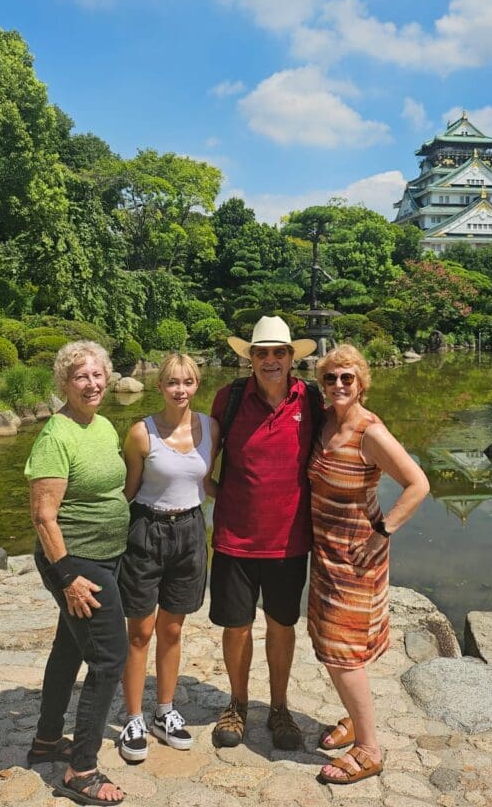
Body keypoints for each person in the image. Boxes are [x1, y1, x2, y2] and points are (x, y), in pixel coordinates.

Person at [308, 344, 430, 786]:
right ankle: (356, 721)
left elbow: (418, 484)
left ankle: (369, 748)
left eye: (348, 378)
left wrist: (384, 533)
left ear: (362, 383)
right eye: (331, 378)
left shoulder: (369, 432)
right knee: (328, 644)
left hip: (357, 557)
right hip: (325, 555)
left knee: (344, 653)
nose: (339, 385)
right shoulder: (324, 423)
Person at [207, 316, 319, 751]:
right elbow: (201, 457)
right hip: (235, 538)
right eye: (261, 352)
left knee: (281, 624)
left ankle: (278, 706)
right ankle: (237, 703)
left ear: (292, 358)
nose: (270, 360)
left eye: (279, 352)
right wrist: (220, 494)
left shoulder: (310, 398)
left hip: (289, 541)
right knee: (236, 626)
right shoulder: (229, 398)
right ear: (250, 358)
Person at [25, 341, 129, 806]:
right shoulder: (56, 435)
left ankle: (47, 741)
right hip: (77, 563)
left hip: (105, 557)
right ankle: (81, 770)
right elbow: (44, 515)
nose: (92, 384)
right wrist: (66, 576)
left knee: (69, 648)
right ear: (64, 383)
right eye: (80, 377)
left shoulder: (102, 425)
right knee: (108, 660)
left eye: (97, 375)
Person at [116, 353, 219, 763]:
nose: (181, 390)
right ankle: (134, 716)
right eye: (173, 382)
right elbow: (129, 489)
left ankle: (164, 710)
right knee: (139, 631)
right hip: (146, 531)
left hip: (191, 532)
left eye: (188, 382)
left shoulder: (211, 428)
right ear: (159, 386)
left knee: (172, 629)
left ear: (197, 385)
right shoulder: (140, 433)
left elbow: (207, 481)